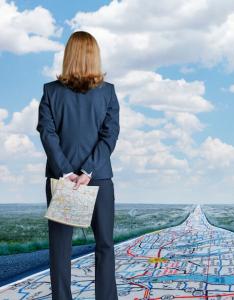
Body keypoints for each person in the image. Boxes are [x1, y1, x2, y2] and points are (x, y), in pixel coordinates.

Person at [36, 30, 120, 300]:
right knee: (104, 245)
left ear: (67, 56)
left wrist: (67, 171)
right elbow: (110, 135)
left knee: (60, 249)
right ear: (95, 56)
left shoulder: (50, 91)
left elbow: (47, 134)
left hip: (62, 181)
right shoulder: (108, 92)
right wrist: (88, 171)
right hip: (99, 179)